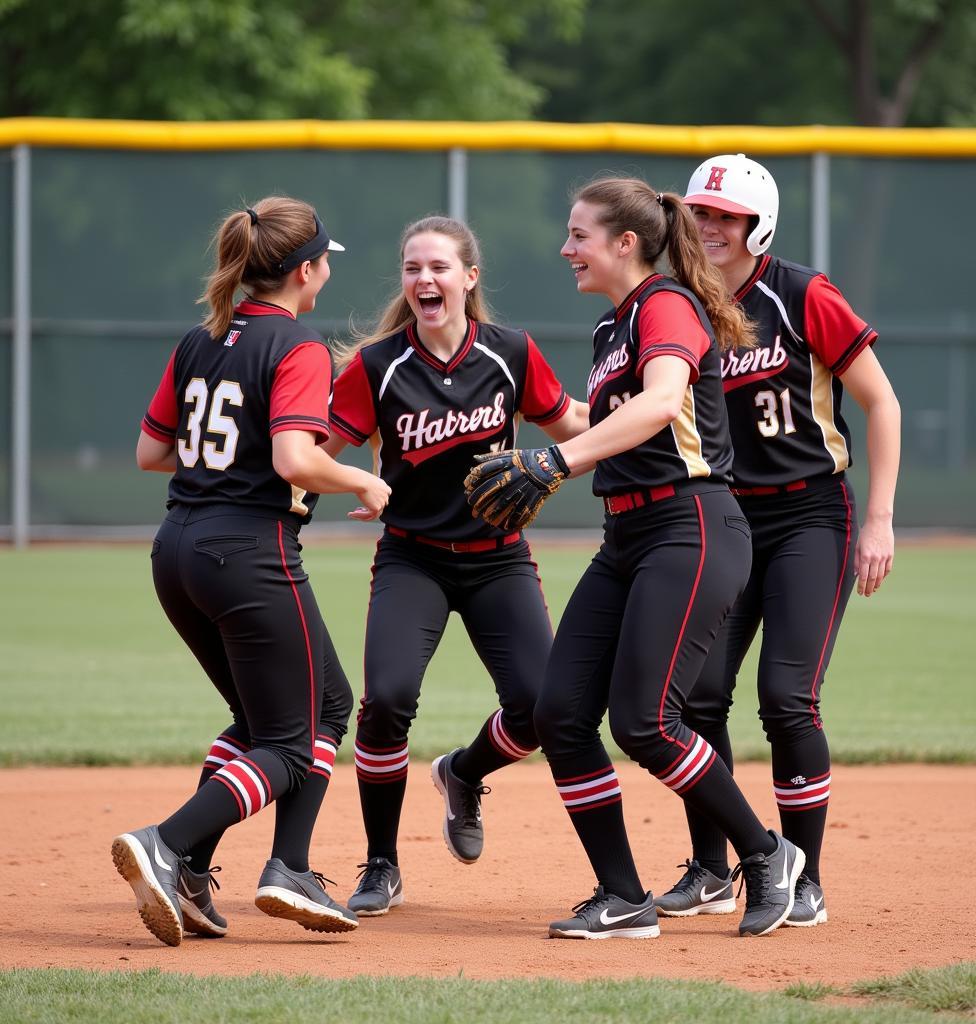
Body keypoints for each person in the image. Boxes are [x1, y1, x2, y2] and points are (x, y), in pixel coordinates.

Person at [467, 177, 805, 939]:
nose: (565, 247)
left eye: (579, 234)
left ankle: (764, 855)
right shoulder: (609, 327)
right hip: (626, 538)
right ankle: (623, 896)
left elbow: (660, 402)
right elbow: (611, 418)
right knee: (560, 713)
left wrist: (556, 462)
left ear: (627, 242)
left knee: (648, 722)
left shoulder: (667, 305)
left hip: (691, 529)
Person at [112, 196, 391, 947]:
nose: (328, 272)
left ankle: (219, 871)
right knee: (305, 734)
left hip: (177, 549)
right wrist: (363, 481)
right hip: (248, 553)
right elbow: (295, 460)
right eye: (326, 261)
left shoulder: (202, 337)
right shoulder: (295, 346)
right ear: (305, 270)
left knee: (289, 714)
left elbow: (151, 452)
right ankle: (169, 844)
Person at [654, 154, 900, 927]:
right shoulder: (677, 303)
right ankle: (710, 868)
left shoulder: (800, 294)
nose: (708, 227)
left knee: (786, 697)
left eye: (723, 215)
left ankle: (808, 878)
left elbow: (881, 402)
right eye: (697, 213)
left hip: (809, 516)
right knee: (694, 699)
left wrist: (881, 519)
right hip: (725, 519)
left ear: (757, 222)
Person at [323, 215, 590, 916]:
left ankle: (464, 773)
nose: (424, 280)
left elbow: (572, 427)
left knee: (542, 707)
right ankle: (381, 864)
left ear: (469, 278)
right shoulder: (378, 366)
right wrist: (351, 482)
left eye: (439, 267)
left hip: (499, 559)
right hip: (413, 558)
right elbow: (319, 445)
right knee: (384, 700)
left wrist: (657, 413)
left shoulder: (510, 353)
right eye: (413, 268)